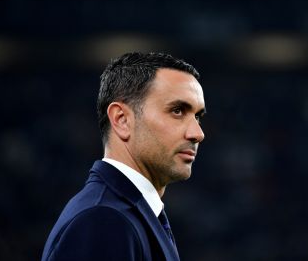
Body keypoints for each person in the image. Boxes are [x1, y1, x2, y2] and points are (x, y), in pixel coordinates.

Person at [41, 52, 206, 261]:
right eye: (177, 110)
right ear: (121, 119)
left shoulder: (123, 213)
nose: (198, 133)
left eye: (197, 116)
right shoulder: (103, 220)